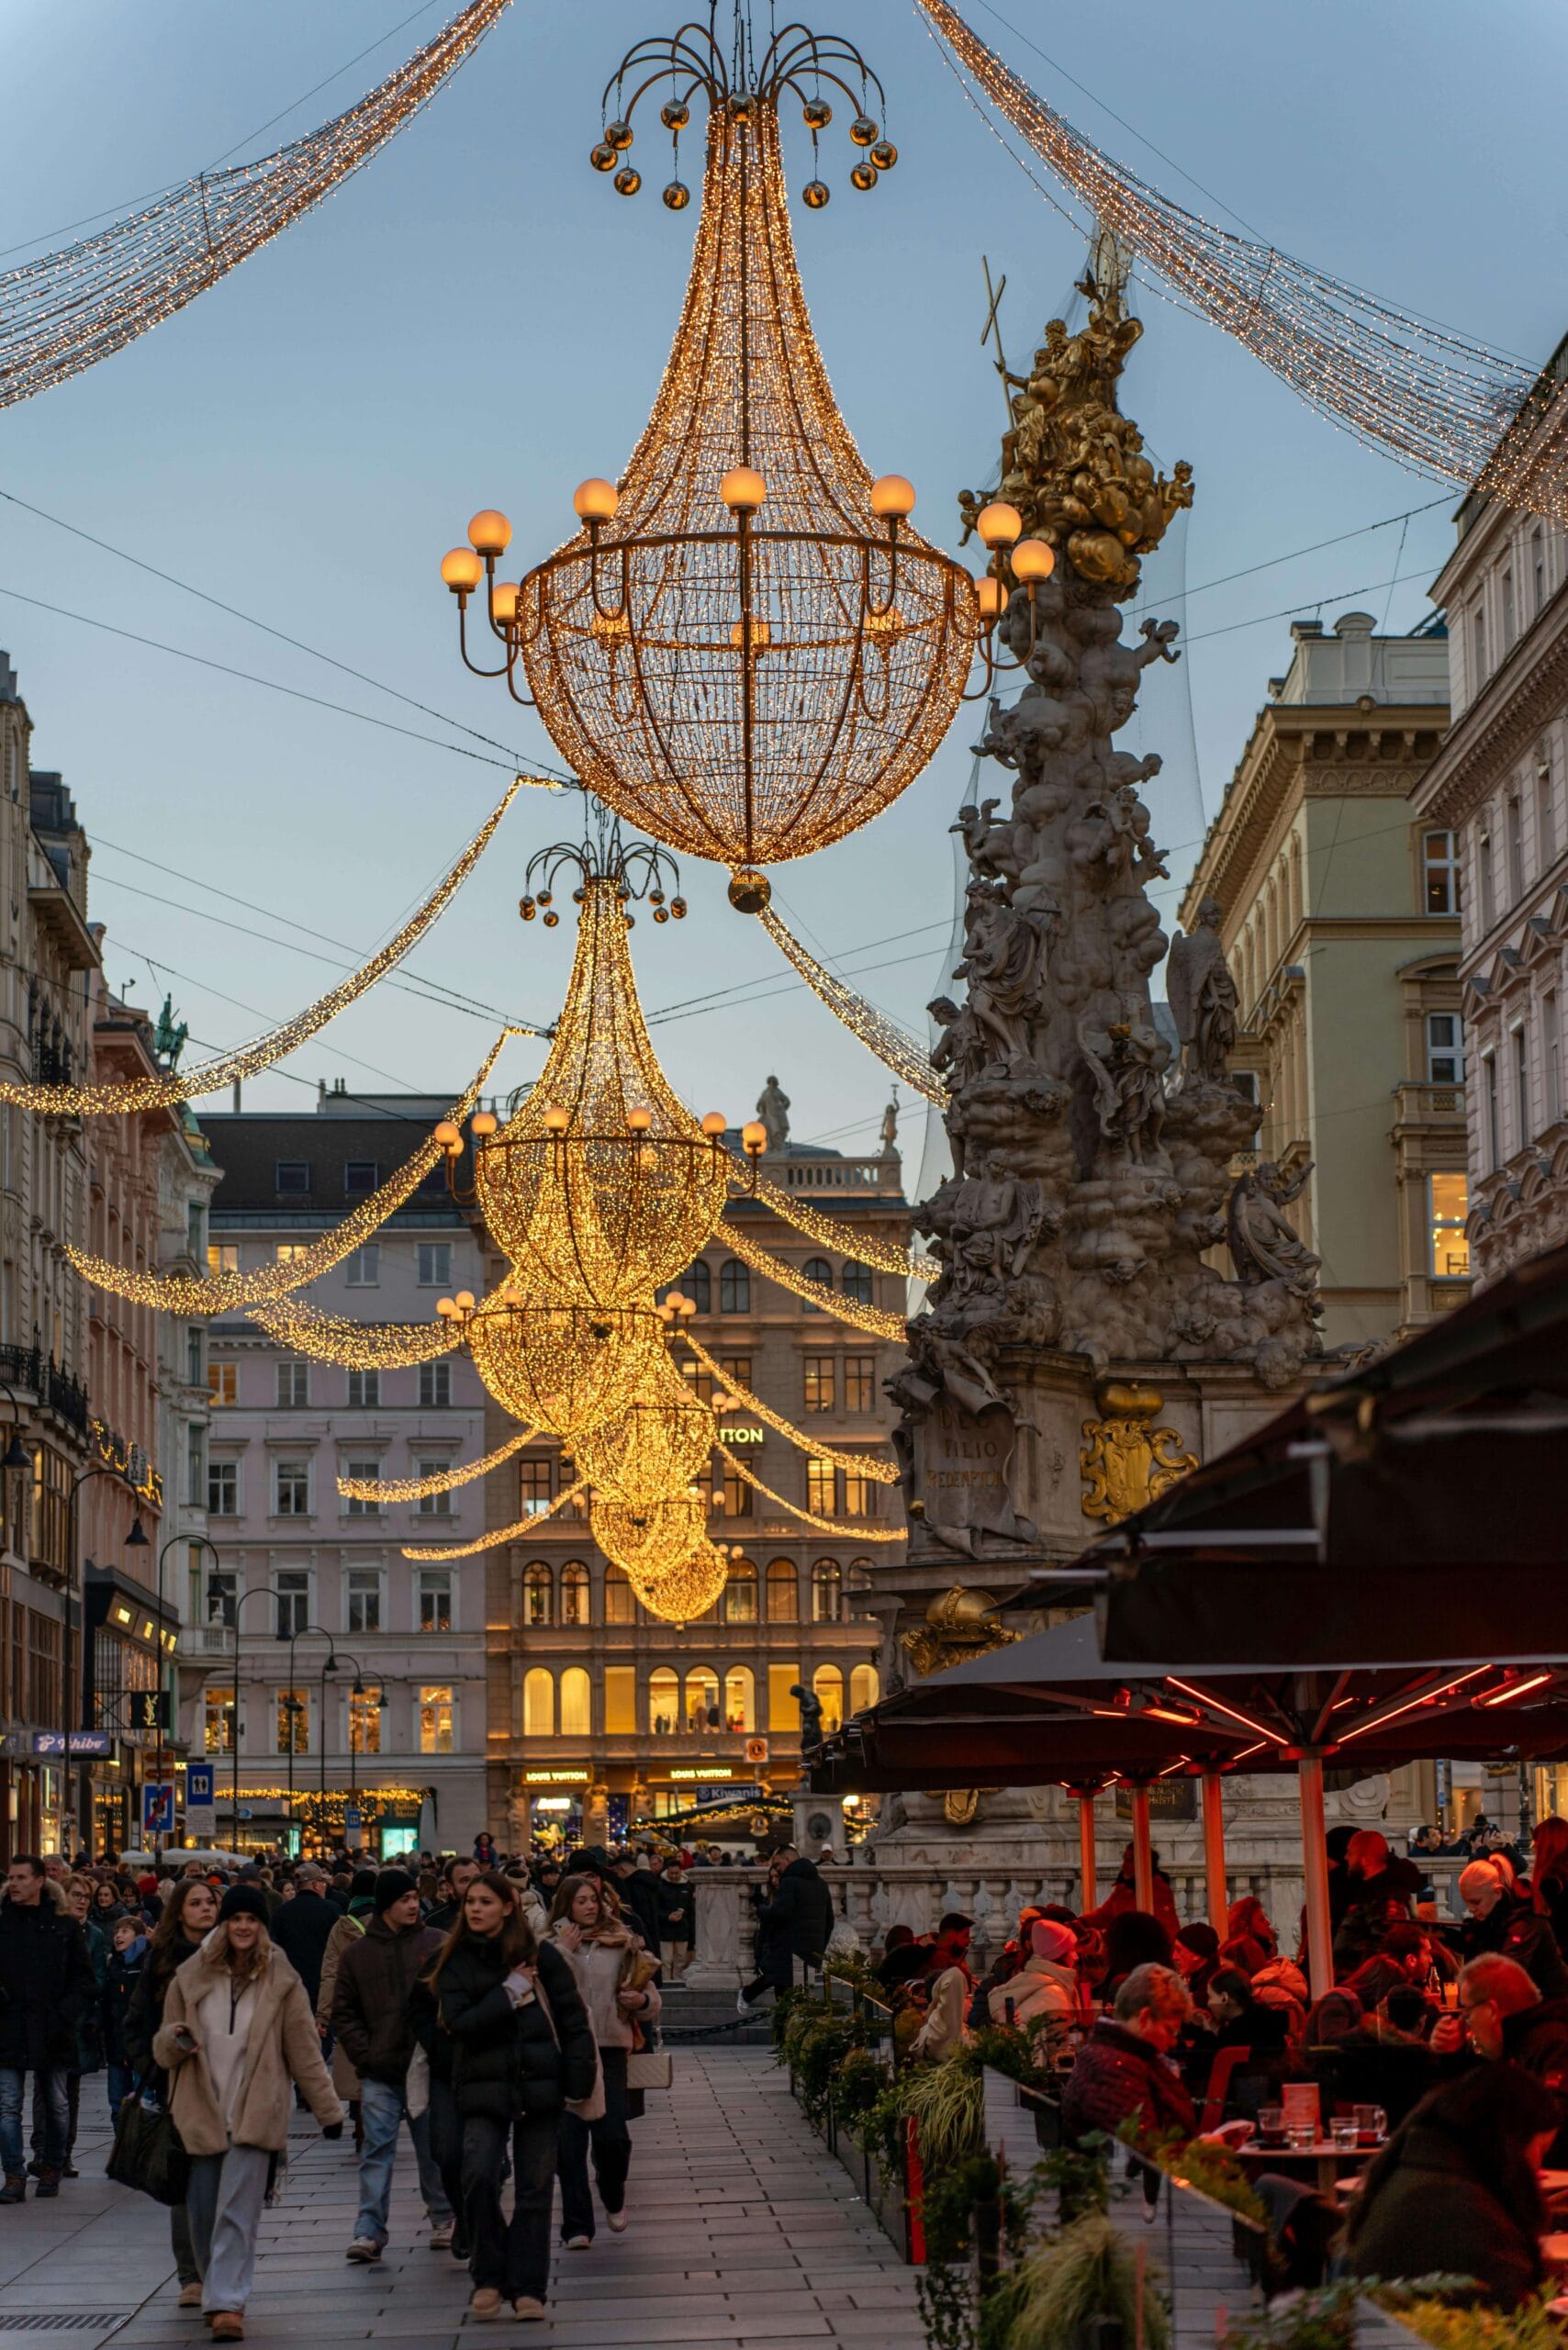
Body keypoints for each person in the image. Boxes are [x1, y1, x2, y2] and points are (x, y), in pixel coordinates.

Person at [153, 1883, 344, 2341]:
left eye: (251, 1920)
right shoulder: (192, 1974)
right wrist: (176, 2038)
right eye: (236, 1919)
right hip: (201, 2108)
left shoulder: (281, 1979)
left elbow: (303, 2048)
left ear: (262, 1926)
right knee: (201, 2212)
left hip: (256, 2109)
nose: (243, 1927)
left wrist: (328, 2110)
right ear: (225, 1924)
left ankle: (227, 2303)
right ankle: (212, 2283)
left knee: (238, 2211)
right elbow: (162, 2047)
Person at [432, 1868, 597, 2322]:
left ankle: (528, 2289)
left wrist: (578, 2080)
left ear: (508, 1907)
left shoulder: (541, 1956)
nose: (475, 1909)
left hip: (540, 2084)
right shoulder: (456, 1960)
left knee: (535, 2189)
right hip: (482, 2088)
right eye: (470, 1903)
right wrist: (508, 1992)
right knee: (479, 2177)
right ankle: (488, 2276)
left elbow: (573, 2020)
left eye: (485, 1902)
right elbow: (459, 2025)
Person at [1344, 2065, 1560, 2307]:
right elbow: (1515, 2324)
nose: (1538, 2166)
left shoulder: (1411, 2176)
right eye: (1541, 2150)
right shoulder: (1467, 2215)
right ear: (1512, 2141)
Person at [332, 1868, 454, 2261]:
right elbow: (344, 2010)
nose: (414, 1904)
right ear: (386, 1906)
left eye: (414, 1897)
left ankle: (442, 2217)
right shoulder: (358, 1954)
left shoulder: (436, 1943)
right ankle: (369, 2230)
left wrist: (441, 2045)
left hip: (426, 2065)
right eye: (404, 1899)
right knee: (376, 2150)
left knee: (432, 2149)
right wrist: (365, 2054)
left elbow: (455, 1996)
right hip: (381, 2069)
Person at [123, 1876, 220, 2307]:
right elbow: (137, 2022)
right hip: (179, 2085)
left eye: (210, 1902)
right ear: (178, 1910)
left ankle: (222, 2268)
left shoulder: (233, 1954)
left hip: (228, 2083)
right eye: (195, 1902)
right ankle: (191, 2275)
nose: (205, 1909)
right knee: (185, 2181)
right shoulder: (161, 1959)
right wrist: (155, 2067)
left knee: (227, 2182)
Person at [548, 1873, 659, 2247]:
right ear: (566, 1907)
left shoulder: (622, 1942)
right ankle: (577, 2226)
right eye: (580, 1901)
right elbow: (539, 1991)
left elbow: (650, 1996)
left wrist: (641, 2002)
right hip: (565, 2053)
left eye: (593, 1899)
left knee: (613, 2136)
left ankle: (612, 2193)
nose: (590, 1906)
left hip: (610, 2049)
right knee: (569, 2143)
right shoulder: (550, 1945)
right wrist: (562, 1948)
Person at [0, 1855, 95, 2201]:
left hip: (52, 2026)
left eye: (22, 1877)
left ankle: (52, 2167)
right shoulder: (2, 1921)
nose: (14, 1883)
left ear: (40, 1881)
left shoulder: (63, 1924)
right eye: (11, 1877)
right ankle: (13, 2174)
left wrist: (64, 2013)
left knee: (56, 2102)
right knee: (8, 2105)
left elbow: (84, 1979)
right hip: (9, 2025)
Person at [1430, 1951, 1568, 2154]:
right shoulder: (1520, 2043)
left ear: (1492, 2011)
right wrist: (1454, 2055)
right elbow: (1484, 2088)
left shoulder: (1552, 2044)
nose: (1466, 2023)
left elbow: (1557, 2127)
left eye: (1468, 2012)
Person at [1062, 1963, 1196, 2146]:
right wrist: (1205, 2150)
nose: (1173, 2041)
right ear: (1145, 2018)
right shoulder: (1115, 2067)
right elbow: (1144, 2151)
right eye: (1169, 2031)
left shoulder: (1118, 2055)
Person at [1452, 1856, 1568, 1998]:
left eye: (1476, 1902)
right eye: (1467, 1903)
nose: (1470, 1909)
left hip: (1550, 2007)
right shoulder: (1495, 1918)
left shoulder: (1526, 1921)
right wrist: (1443, 1935)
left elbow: (1508, 1968)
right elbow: (1472, 1943)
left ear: (1498, 1893)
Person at [737, 1852, 834, 2015]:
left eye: (778, 1863)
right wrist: (820, 1949)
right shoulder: (821, 1884)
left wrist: (761, 1910)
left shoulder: (789, 1882)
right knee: (802, 2000)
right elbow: (829, 1920)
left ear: (788, 1860)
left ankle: (783, 2034)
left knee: (784, 2000)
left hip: (788, 1951)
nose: (777, 1868)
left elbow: (781, 1913)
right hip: (811, 1952)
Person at [989, 1918, 1079, 2051]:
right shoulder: (1053, 1993)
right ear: (1058, 1955)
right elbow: (1058, 2047)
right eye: (1071, 1950)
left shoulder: (1029, 1981)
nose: (1076, 1956)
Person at [267, 1863, 340, 2018]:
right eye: (323, 1882)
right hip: (323, 1989)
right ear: (315, 1884)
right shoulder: (331, 1910)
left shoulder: (282, 1912)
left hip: (291, 1987)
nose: (325, 1886)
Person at [1081, 1845, 1180, 1942]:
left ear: (1143, 1863)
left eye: (1129, 1860)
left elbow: (1167, 1930)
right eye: (1125, 1859)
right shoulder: (1123, 1889)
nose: (1123, 1865)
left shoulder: (1157, 1890)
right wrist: (1081, 1923)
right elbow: (1104, 1914)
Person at [911, 1915, 975, 2062]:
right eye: (965, 1936)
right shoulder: (933, 1956)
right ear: (952, 1934)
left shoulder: (954, 1955)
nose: (969, 1941)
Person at [102, 1913, 148, 2115]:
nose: (118, 1935)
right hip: (116, 2041)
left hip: (140, 2043)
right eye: (116, 1932)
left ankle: (141, 2143)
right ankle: (120, 2140)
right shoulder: (113, 1963)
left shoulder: (147, 1962)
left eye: (125, 1931)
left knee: (143, 2100)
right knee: (117, 2100)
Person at [428, 1856, 481, 1935]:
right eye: (465, 1880)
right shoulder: (433, 1922)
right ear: (449, 1888)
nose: (474, 1883)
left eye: (478, 1878)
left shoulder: (493, 1914)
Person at [655, 1860, 690, 1978]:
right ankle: (666, 1985)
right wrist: (667, 1917)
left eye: (676, 1873)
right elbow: (655, 1908)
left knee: (680, 1961)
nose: (674, 1876)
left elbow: (691, 1908)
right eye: (671, 1873)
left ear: (681, 1872)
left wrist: (683, 1915)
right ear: (667, 1872)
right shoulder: (660, 1886)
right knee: (666, 1961)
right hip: (665, 1930)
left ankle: (678, 1985)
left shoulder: (687, 1886)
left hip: (682, 1929)